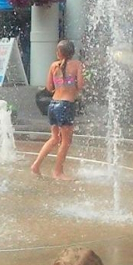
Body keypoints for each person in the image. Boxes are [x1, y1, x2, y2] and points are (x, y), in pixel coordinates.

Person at [30, 39, 84, 180]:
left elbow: (49, 87)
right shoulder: (77, 65)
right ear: (72, 52)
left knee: (54, 138)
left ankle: (36, 165)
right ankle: (58, 172)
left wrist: (61, 85)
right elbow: (80, 86)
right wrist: (70, 85)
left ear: (59, 53)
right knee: (66, 141)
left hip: (53, 105)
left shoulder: (54, 66)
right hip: (66, 105)